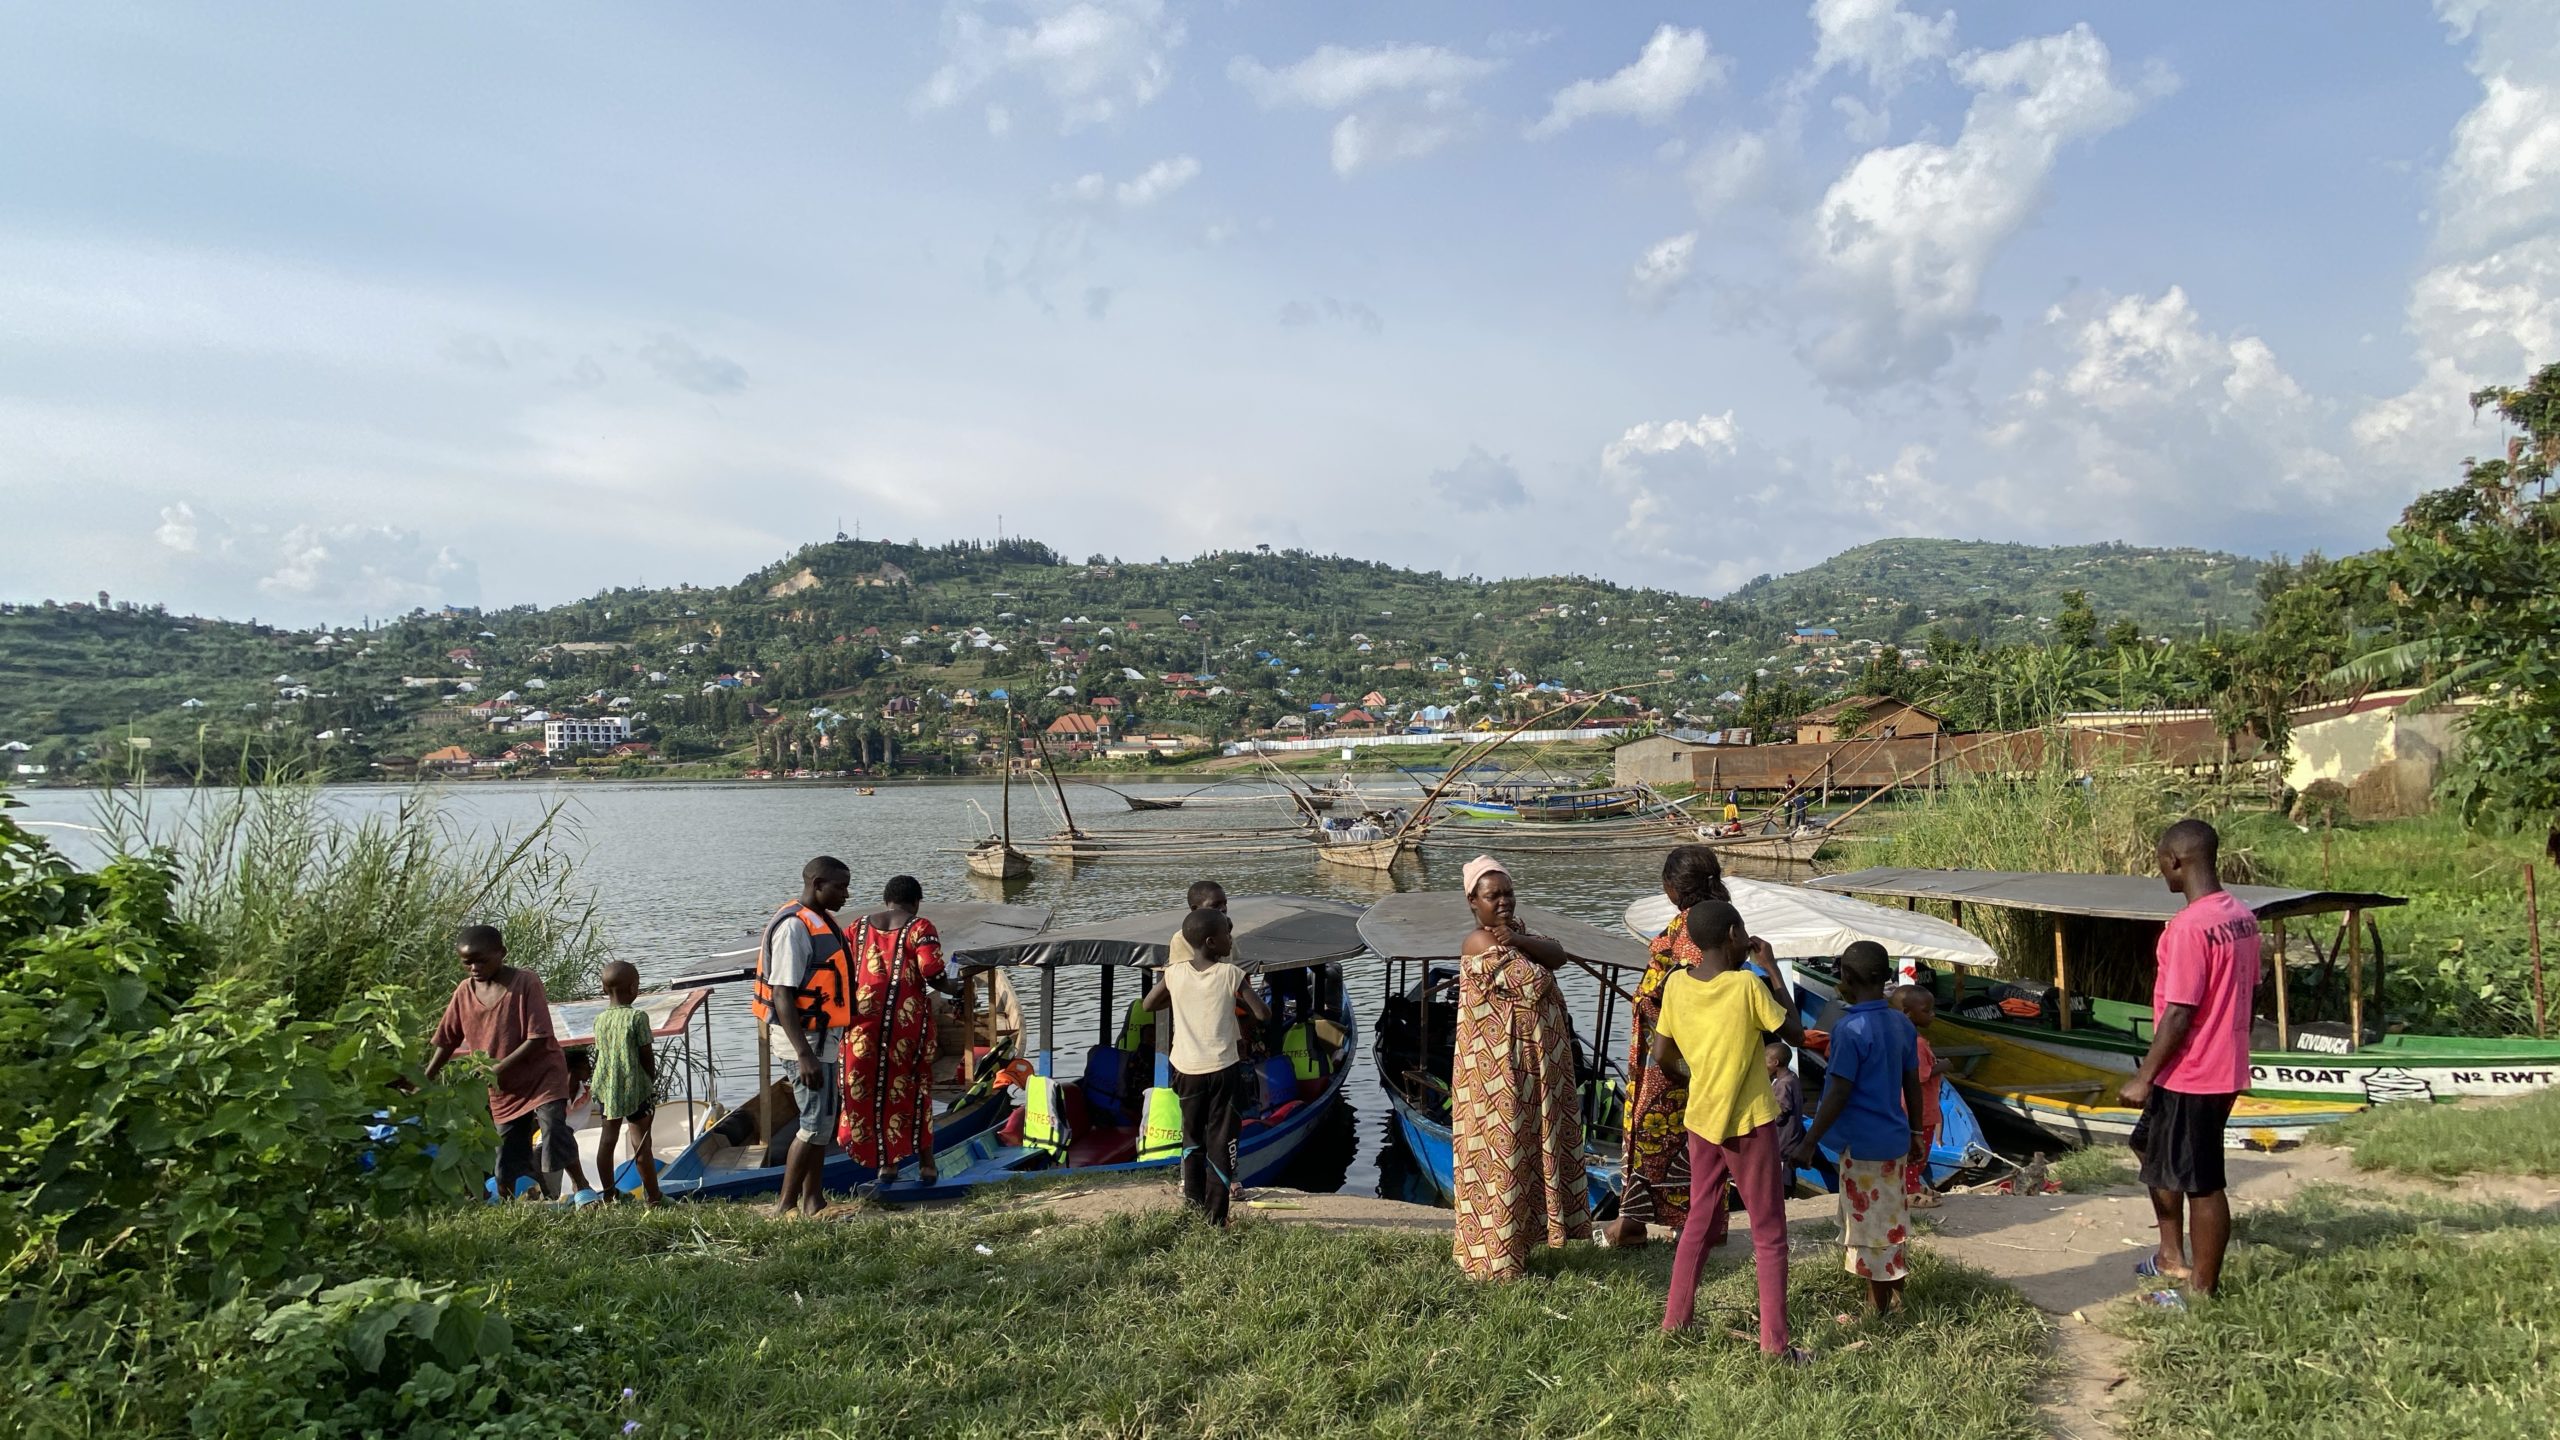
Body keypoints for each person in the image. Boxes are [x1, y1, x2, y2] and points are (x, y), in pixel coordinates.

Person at [1653, 900, 1813, 1361]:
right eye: (1743, 932)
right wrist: (1773, 968)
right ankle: (1775, 1347)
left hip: (1702, 1122)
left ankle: (1675, 1322)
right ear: (1731, 935)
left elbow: (1663, 1056)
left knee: (1698, 1223)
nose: (1747, 939)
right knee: (1769, 1232)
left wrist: (1696, 1077)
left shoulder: (1677, 985)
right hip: (1748, 1124)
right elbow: (1797, 1035)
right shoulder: (1747, 985)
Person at [2120, 818, 2260, 1303]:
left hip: (2194, 1072)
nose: (2162, 873)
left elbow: (2179, 1012)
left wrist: (2144, 1076)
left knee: (2202, 1181)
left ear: (2174, 861)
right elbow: (2247, 990)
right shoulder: (2241, 916)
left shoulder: (2188, 928)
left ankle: (2200, 1291)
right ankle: (2169, 1253)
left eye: (2161, 863)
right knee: (2148, 1146)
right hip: (2222, 1064)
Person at [1450, 855, 1591, 1280]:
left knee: (1529, 1150)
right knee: (1502, 1154)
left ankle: (1524, 1245)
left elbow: (1559, 955)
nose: (1504, 902)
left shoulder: (1515, 933)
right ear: (1473, 901)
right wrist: (1522, 943)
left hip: (1532, 1068)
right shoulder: (1478, 942)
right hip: (1499, 1073)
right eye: (1494, 896)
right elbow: (1536, 982)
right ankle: (1495, 1262)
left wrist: (1518, 938)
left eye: (1508, 893)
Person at [1790, 942, 1926, 1319]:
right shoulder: (1900, 1022)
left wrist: (1810, 1141)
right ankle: (1896, 1296)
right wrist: (1917, 1132)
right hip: (1894, 1140)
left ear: (1845, 978)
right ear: (1885, 977)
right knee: (1889, 1220)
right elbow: (1912, 1082)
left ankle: (1876, 1309)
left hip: (1864, 1147)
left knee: (1871, 1231)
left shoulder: (1849, 1029)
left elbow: (1838, 1092)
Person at [1607, 844, 1730, 1249]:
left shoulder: (1697, 928)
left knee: (1654, 1135)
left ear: (1673, 886)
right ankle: (1658, 1222)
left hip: (1676, 1057)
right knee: (1679, 1139)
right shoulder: (1702, 920)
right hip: (1669, 1052)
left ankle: (1644, 1224)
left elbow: (1700, 994)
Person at [424, 925, 593, 1202]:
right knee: (507, 1154)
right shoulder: (464, 993)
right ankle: (521, 1197)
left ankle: (582, 1188)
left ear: (501, 954)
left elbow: (537, 1037)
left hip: (541, 1076)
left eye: (482, 960)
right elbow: (447, 1039)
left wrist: (497, 1067)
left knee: (553, 1127)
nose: (475, 968)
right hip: (504, 1087)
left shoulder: (525, 983)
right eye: (468, 963)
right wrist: (426, 1076)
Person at [1141, 906, 1270, 1226]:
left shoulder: (1174, 973)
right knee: (1222, 1142)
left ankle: (1193, 1207)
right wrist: (1236, 998)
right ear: (1212, 942)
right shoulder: (1231, 974)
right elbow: (1263, 1014)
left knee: (1193, 1138)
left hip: (1185, 1070)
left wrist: (1183, 999)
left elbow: (1148, 1005)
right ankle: (1216, 1218)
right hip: (1223, 1070)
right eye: (1227, 935)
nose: (1231, 940)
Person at [754, 856, 854, 1218]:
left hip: (822, 1038)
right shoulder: (794, 928)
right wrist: (804, 1055)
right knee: (813, 1125)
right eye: (839, 887)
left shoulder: (821, 920)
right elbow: (782, 993)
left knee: (824, 1122)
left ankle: (814, 1200)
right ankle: (784, 1206)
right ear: (816, 884)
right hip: (805, 1042)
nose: (845, 893)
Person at [840, 874, 947, 1184]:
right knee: (914, 1090)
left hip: (861, 1025)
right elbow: (932, 971)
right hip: (905, 1028)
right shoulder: (919, 927)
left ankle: (886, 1166)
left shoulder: (857, 927)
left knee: (868, 1091)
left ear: (886, 899)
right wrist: (952, 986)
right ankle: (927, 1165)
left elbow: (843, 967)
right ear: (916, 901)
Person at [589, 959, 665, 1206]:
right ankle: (654, 1197)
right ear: (633, 988)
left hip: (606, 1088)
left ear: (603, 989)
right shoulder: (638, 1017)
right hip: (635, 1088)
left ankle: (609, 1194)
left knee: (607, 1140)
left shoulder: (599, 1020)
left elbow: (603, 1053)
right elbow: (646, 1054)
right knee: (641, 1143)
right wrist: (651, 1081)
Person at [1891, 985, 1949, 1209]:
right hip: (1919, 1109)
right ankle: (1910, 1189)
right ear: (1908, 1013)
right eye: (1927, 1010)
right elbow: (1920, 1075)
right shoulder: (1916, 1044)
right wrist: (1942, 1065)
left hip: (1916, 1107)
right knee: (1917, 1152)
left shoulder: (1908, 1040)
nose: (1933, 1014)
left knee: (1916, 1153)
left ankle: (1911, 1184)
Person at [1766, 1040, 1803, 1140]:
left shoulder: (1783, 1084)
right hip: (1793, 1136)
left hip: (1783, 1140)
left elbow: (1780, 1113)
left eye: (1765, 1062)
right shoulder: (1792, 1076)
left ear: (1775, 1062)